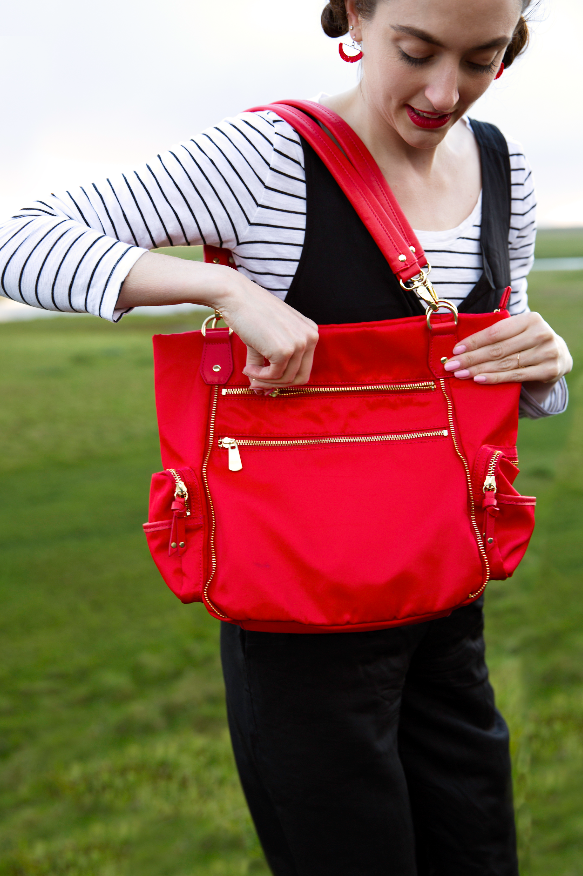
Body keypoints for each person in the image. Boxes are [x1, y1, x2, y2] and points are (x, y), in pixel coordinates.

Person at [0, 0, 574, 873]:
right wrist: (224, 292)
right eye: (415, 51)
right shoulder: (269, 159)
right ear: (354, 14)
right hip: (302, 627)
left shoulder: (503, 167)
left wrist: (541, 367)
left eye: (481, 59)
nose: (442, 92)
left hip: (447, 603)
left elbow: (495, 372)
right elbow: (18, 240)